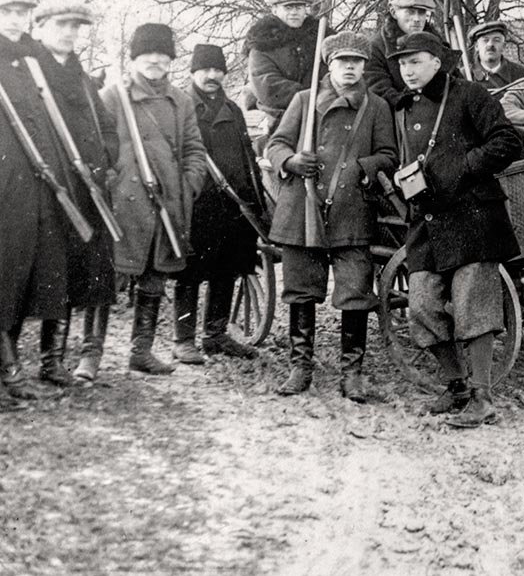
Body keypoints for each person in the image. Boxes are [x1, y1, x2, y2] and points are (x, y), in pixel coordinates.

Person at [393, 31, 523, 427]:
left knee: (473, 306)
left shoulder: (468, 95)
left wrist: (463, 167)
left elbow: (507, 141)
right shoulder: (401, 108)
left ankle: (482, 398)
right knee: (422, 308)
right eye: (402, 63)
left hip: (473, 218)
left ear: (437, 61)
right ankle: (457, 385)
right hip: (428, 222)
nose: (408, 70)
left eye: (415, 61)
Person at [266, 31, 398, 402]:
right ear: (330, 65)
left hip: (352, 210)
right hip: (303, 208)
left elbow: (389, 154)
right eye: (343, 62)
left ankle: (351, 373)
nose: (350, 69)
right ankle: (300, 367)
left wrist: (363, 166)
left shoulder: (375, 108)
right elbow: (275, 144)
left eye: (357, 62)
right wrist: (290, 160)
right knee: (301, 290)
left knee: (355, 292)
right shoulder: (304, 101)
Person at [0, 0, 69, 409]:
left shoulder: (28, 59)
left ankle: (10, 373)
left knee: (14, 284)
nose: (15, 19)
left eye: (22, 11)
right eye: (6, 10)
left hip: (28, 194)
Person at [102, 23, 208, 375]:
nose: (155, 60)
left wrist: (188, 185)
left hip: (168, 202)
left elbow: (194, 148)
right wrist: (114, 181)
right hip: (125, 202)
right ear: (135, 58)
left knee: (154, 276)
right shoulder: (114, 96)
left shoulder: (180, 101)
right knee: (106, 277)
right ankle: (91, 355)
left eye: (163, 55)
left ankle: (140, 351)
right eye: (148, 54)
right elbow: (101, 147)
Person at [31, 0, 120, 387]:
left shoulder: (82, 77)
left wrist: (105, 163)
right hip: (46, 189)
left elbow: (108, 127)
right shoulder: (30, 69)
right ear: (41, 26)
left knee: (79, 273)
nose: (68, 33)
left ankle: (55, 362)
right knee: (44, 273)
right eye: (60, 25)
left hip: (86, 190)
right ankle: (22, 364)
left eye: (75, 27)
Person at [177, 43, 263, 363]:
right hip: (197, 202)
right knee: (189, 271)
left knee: (226, 268)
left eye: (217, 70)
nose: (212, 76)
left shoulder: (233, 110)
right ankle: (183, 339)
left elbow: (247, 156)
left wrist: (253, 198)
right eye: (205, 70)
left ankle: (215, 335)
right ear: (193, 72)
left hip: (231, 204)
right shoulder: (182, 106)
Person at [246, 0, 323, 131]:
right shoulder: (262, 44)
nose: (294, 12)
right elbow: (268, 86)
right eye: (288, 8)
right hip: (280, 117)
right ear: (275, 10)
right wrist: (309, 95)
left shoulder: (320, 38)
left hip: (319, 112)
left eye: (299, 7)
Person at [366, 0, 449, 107]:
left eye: (421, 12)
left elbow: (452, 82)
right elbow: (378, 89)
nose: (417, 19)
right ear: (394, 13)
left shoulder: (437, 44)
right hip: (398, 115)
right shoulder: (376, 48)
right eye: (410, 12)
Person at [467, 20, 524, 90]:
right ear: (476, 46)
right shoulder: (464, 75)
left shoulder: (522, 75)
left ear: (504, 46)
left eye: (496, 40)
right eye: (485, 40)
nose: (490, 44)